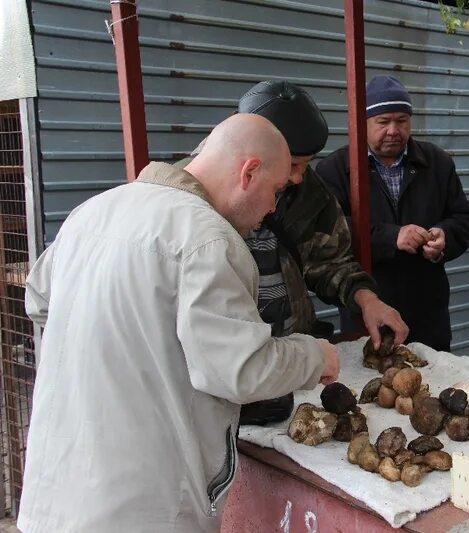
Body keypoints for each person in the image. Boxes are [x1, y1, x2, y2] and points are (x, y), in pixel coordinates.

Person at [18, 114, 339, 532]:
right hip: (142, 510)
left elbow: (39, 300)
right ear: (249, 171)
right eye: (276, 190)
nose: (273, 208)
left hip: (52, 498)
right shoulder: (209, 239)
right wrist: (315, 355)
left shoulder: (92, 211)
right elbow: (243, 369)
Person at [180, 80, 408, 425]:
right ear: (252, 162)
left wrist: (367, 299)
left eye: (305, 164)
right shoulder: (190, 201)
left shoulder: (308, 192)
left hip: (290, 367)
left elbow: (329, 260)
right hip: (219, 384)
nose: (300, 177)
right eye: (293, 165)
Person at [316, 75, 469, 352]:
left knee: (435, 390)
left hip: (428, 316)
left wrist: (444, 237)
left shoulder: (436, 162)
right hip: (366, 316)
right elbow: (328, 233)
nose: (393, 130)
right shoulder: (336, 170)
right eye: (383, 121)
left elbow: (464, 216)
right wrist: (391, 237)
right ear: (362, 124)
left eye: (401, 120)